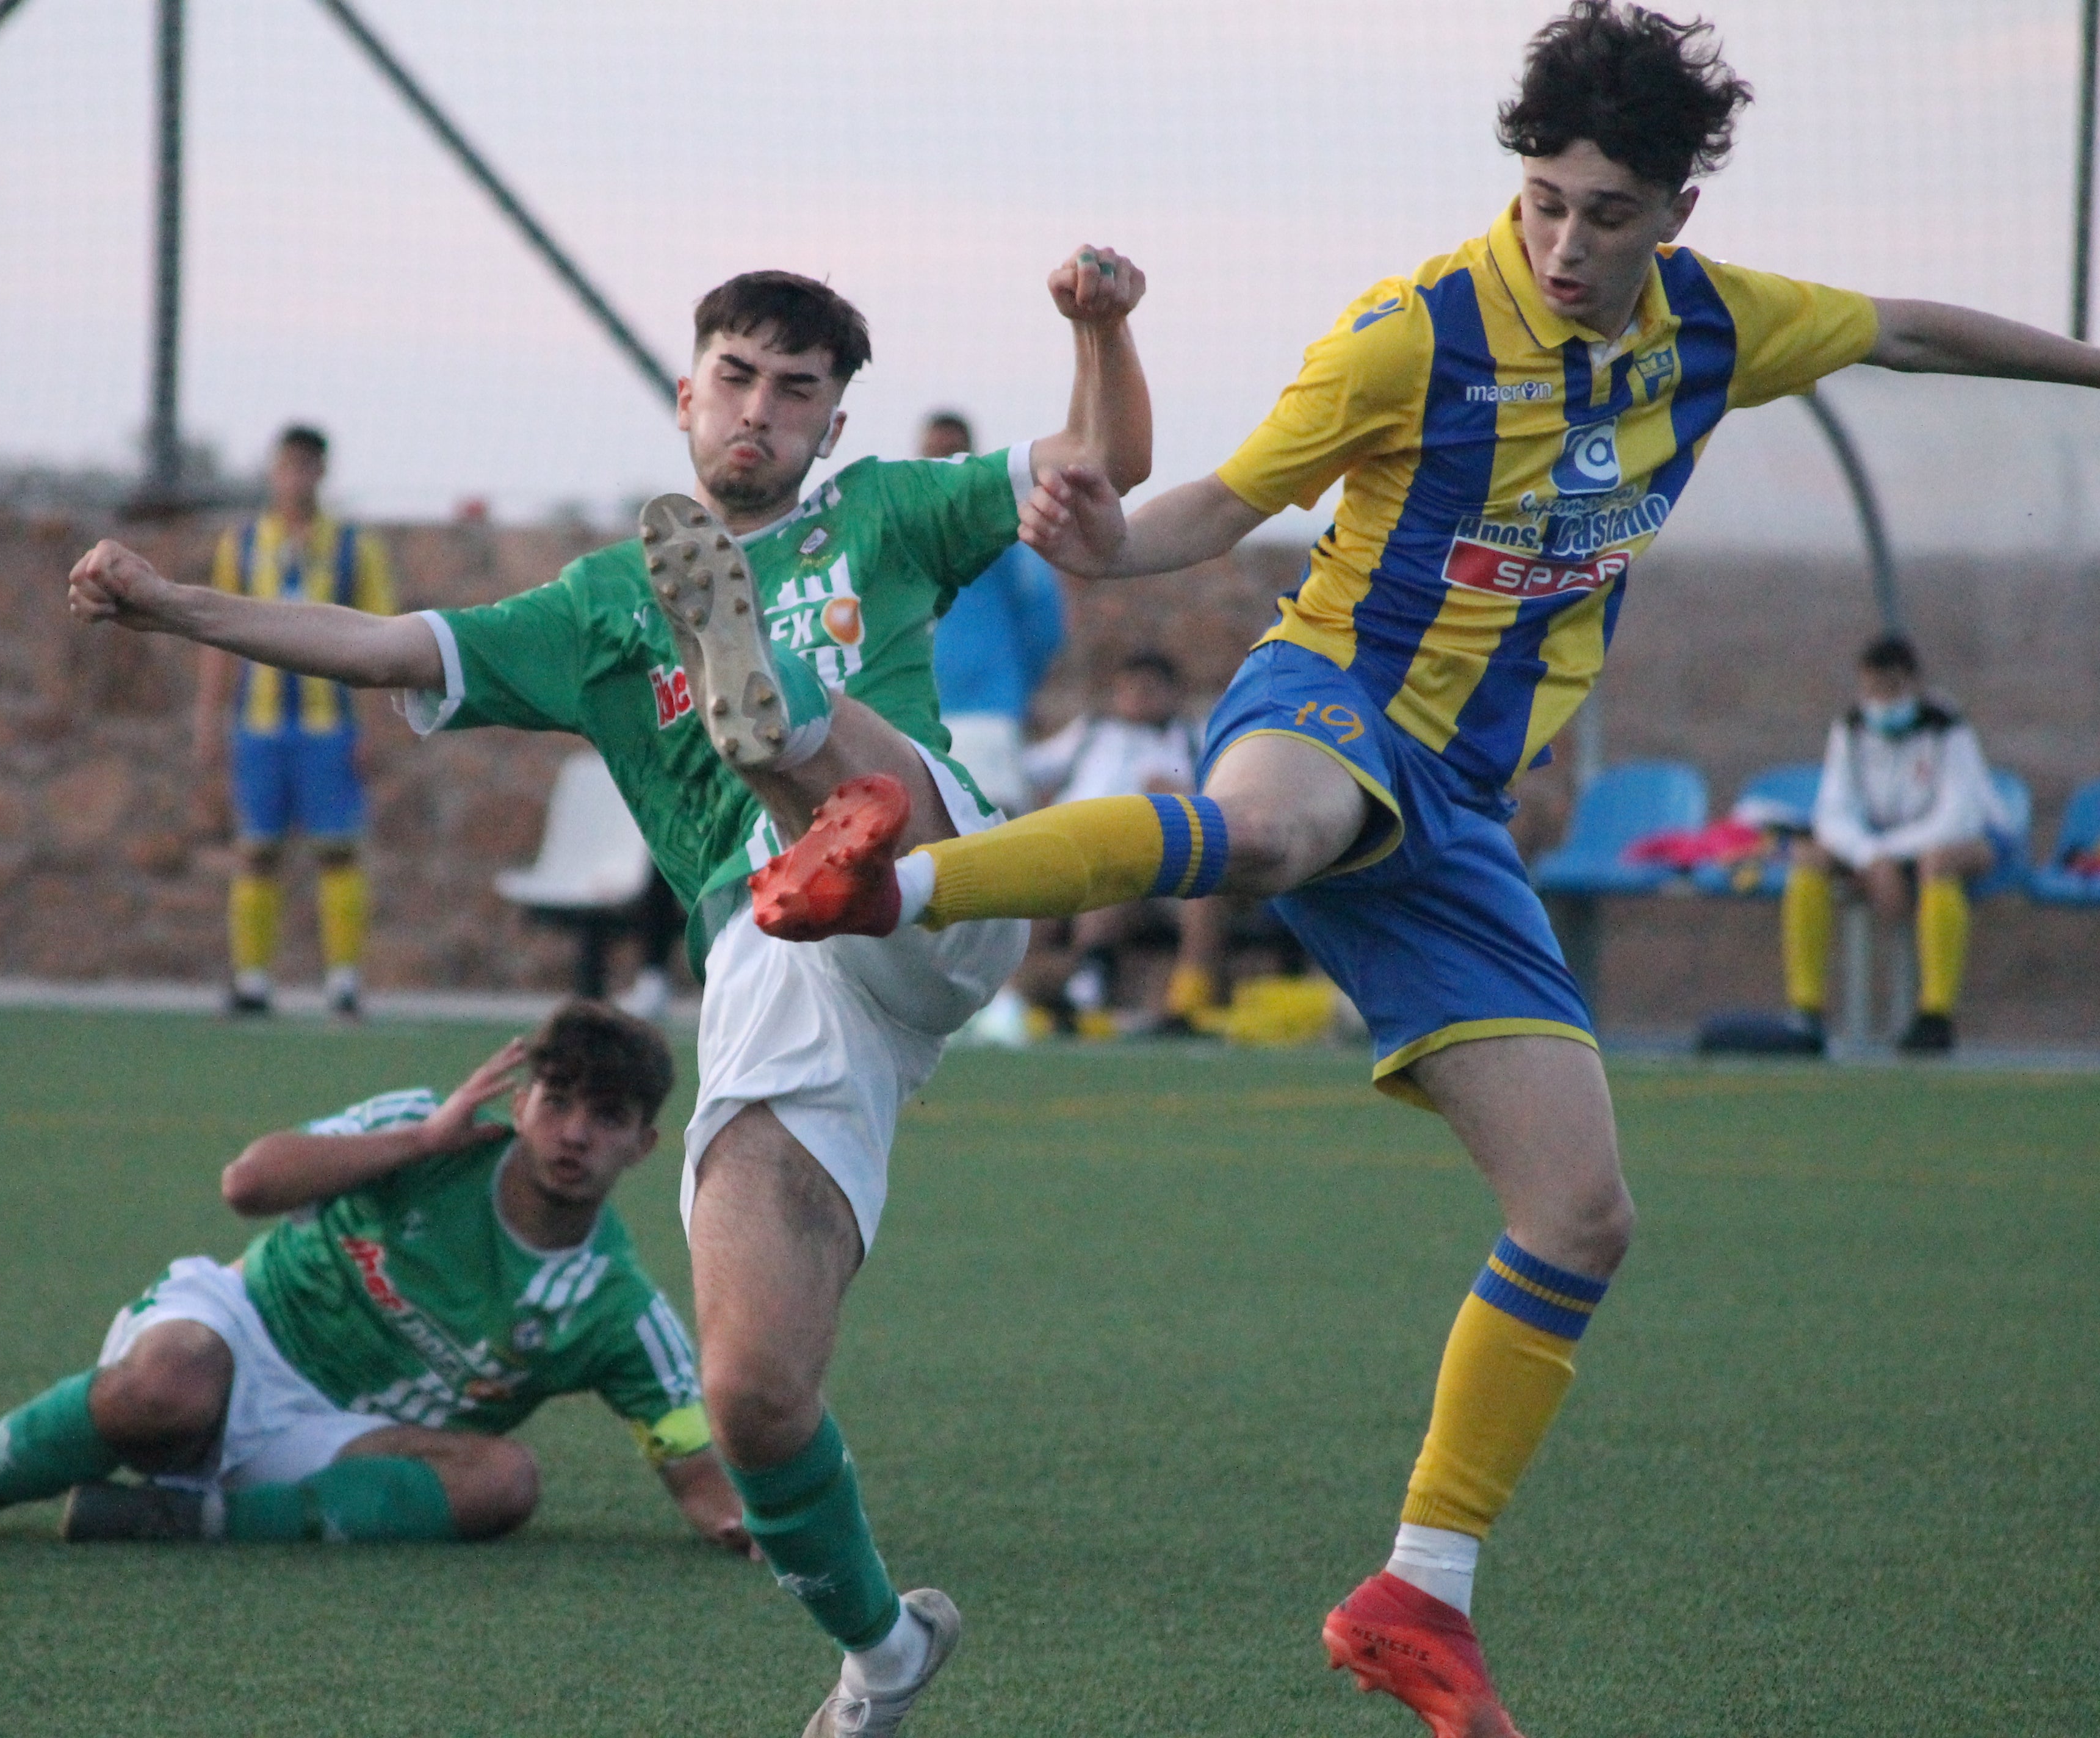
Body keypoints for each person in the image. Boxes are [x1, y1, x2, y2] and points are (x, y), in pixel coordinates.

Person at [748, 6, 2100, 1733]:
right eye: (1542, 197)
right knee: (1271, 828)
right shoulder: (1411, 332)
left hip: (1456, 805)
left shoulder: (1717, 328)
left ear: (1674, 212)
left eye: (1606, 211)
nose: (1562, 240)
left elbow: (1904, 327)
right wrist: (1101, 544)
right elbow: (1210, 515)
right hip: (1328, 699)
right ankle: (896, 882)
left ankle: (1421, 1594)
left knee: (1583, 1211)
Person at [67, 254, 1149, 1734]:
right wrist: (173, 604)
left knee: (824, 767)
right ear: (686, 390)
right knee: (753, 1391)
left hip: (935, 874)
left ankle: (778, 714)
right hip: (775, 963)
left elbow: (1101, 463)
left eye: (797, 389)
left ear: (835, 423)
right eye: (737, 377)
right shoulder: (595, 607)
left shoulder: (893, 508)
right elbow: (391, 646)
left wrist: (1098, 328)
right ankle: (884, 1652)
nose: (761, 410)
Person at [0, 1002, 754, 1554]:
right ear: (525, 1097)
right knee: (164, 1387)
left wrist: (743, 1524)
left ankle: (181, 1520)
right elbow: (249, 1184)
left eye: (607, 1116)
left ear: (644, 1144)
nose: (575, 1132)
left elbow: (691, 1460)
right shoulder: (424, 1127)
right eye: (560, 1100)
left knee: (504, 1480)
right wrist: (416, 1139)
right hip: (240, 1331)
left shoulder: (615, 1307)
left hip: (334, 1438)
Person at [193, 424, 397, 1018]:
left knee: (338, 850)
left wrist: (374, 730)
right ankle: (252, 979)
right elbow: (217, 636)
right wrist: (209, 718)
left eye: (307, 468)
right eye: (287, 467)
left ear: (322, 474)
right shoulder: (244, 543)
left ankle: (344, 980)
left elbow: (382, 639)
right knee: (257, 850)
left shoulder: (355, 547)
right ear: (272, 471)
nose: (296, 479)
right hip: (259, 725)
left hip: (328, 723)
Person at [1781, 634, 2001, 1055]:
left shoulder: (1946, 728)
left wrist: (1888, 855)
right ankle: (1805, 1011)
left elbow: (1958, 817)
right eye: (1872, 690)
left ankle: (1936, 1015)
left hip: (1949, 846)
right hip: (1880, 849)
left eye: (1892, 689)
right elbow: (1833, 812)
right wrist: (1871, 857)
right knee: (1809, 857)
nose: (1882, 701)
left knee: (1938, 863)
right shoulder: (1850, 728)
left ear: (1915, 685)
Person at [1010, 651, 1222, 1033]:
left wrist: (1185, 794)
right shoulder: (1089, 735)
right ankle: (1040, 992)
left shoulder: (1195, 740)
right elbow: (1025, 769)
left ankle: (1185, 999)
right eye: (1128, 691)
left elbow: (1229, 802)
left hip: (1163, 865)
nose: (1137, 699)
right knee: (1032, 904)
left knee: (1159, 885)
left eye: (1149, 691)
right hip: (1074, 854)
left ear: (1173, 694)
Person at [922, 410, 1067, 815]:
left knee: (992, 820)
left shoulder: (1001, 531)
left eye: (952, 454)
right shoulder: (907, 534)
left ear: (971, 457)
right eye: (933, 455)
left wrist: (1018, 688)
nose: (942, 466)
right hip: (919, 717)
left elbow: (1044, 621)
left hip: (988, 710)